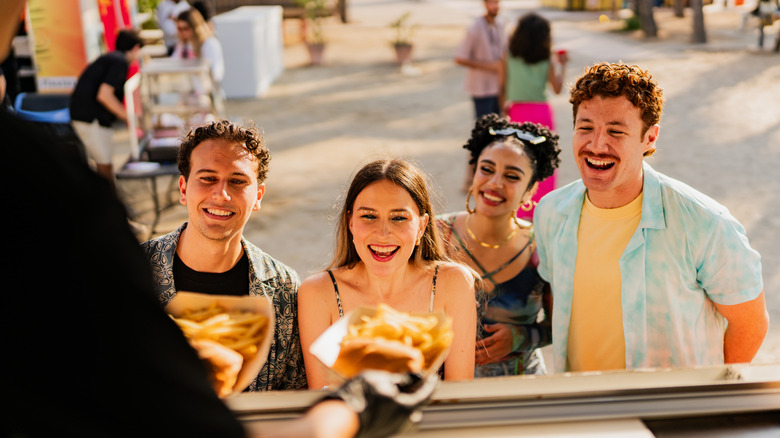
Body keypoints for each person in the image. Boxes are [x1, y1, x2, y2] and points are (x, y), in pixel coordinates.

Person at [534, 62, 769, 373]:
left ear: (650, 138)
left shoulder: (704, 222)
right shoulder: (550, 212)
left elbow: (750, 323)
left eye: (616, 131)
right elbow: (556, 300)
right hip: (580, 407)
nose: (597, 144)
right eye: (586, 127)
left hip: (672, 413)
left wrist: (708, 395)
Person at [140, 120, 306, 391]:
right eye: (208, 178)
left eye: (238, 181)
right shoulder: (132, 270)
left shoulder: (284, 287)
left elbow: (294, 391)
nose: (221, 194)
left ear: (258, 196)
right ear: (183, 189)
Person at [298, 159, 478, 389]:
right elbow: (322, 395)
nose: (383, 233)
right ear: (350, 222)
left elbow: (459, 395)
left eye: (399, 218)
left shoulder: (454, 283)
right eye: (369, 216)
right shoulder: (317, 292)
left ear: (422, 226)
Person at [437, 114, 560, 377]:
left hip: (523, 390)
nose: (495, 183)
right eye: (487, 169)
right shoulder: (433, 236)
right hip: (442, 388)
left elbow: (563, 324)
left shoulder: (544, 245)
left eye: (512, 176)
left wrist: (521, 337)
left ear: (530, 190)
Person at [502, 11, 567, 220]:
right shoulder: (546, 59)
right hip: (541, 112)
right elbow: (557, 88)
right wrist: (563, 64)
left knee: (519, 160)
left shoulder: (508, 56)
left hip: (517, 112)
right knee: (545, 162)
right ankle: (543, 207)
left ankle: (519, 207)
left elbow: (502, 88)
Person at [69, 28, 143, 187]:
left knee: (105, 164)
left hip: (90, 117)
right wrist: (128, 117)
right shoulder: (119, 61)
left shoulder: (111, 58)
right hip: (89, 118)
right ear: (136, 48)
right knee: (104, 165)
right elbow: (104, 95)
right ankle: (112, 206)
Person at [454, 0, 506, 192]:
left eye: (497, 2)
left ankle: (486, 180)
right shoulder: (475, 28)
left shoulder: (501, 25)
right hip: (481, 91)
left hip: (498, 90)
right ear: (484, 4)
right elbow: (459, 58)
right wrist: (490, 66)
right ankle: (469, 181)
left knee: (496, 137)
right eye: (491, 2)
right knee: (480, 136)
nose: (495, 6)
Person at [172, 7, 224, 85]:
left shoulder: (209, 43)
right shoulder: (183, 44)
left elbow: (217, 71)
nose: (182, 32)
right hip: (187, 89)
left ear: (195, 27)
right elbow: (173, 63)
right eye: (179, 28)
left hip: (204, 90)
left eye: (185, 28)